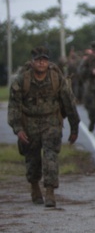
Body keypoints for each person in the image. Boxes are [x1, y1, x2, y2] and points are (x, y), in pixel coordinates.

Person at [8, 46, 81, 207]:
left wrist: (74, 127)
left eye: (44, 60)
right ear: (32, 62)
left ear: (48, 62)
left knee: (51, 157)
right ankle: (34, 186)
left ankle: (50, 192)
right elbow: (14, 107)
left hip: (51, 122)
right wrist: (18, 128)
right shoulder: (22, 80)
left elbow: (69, 103)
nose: (41, 63)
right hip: (30, 124)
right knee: (32, 159)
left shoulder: (56, 79)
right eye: (38, 60)